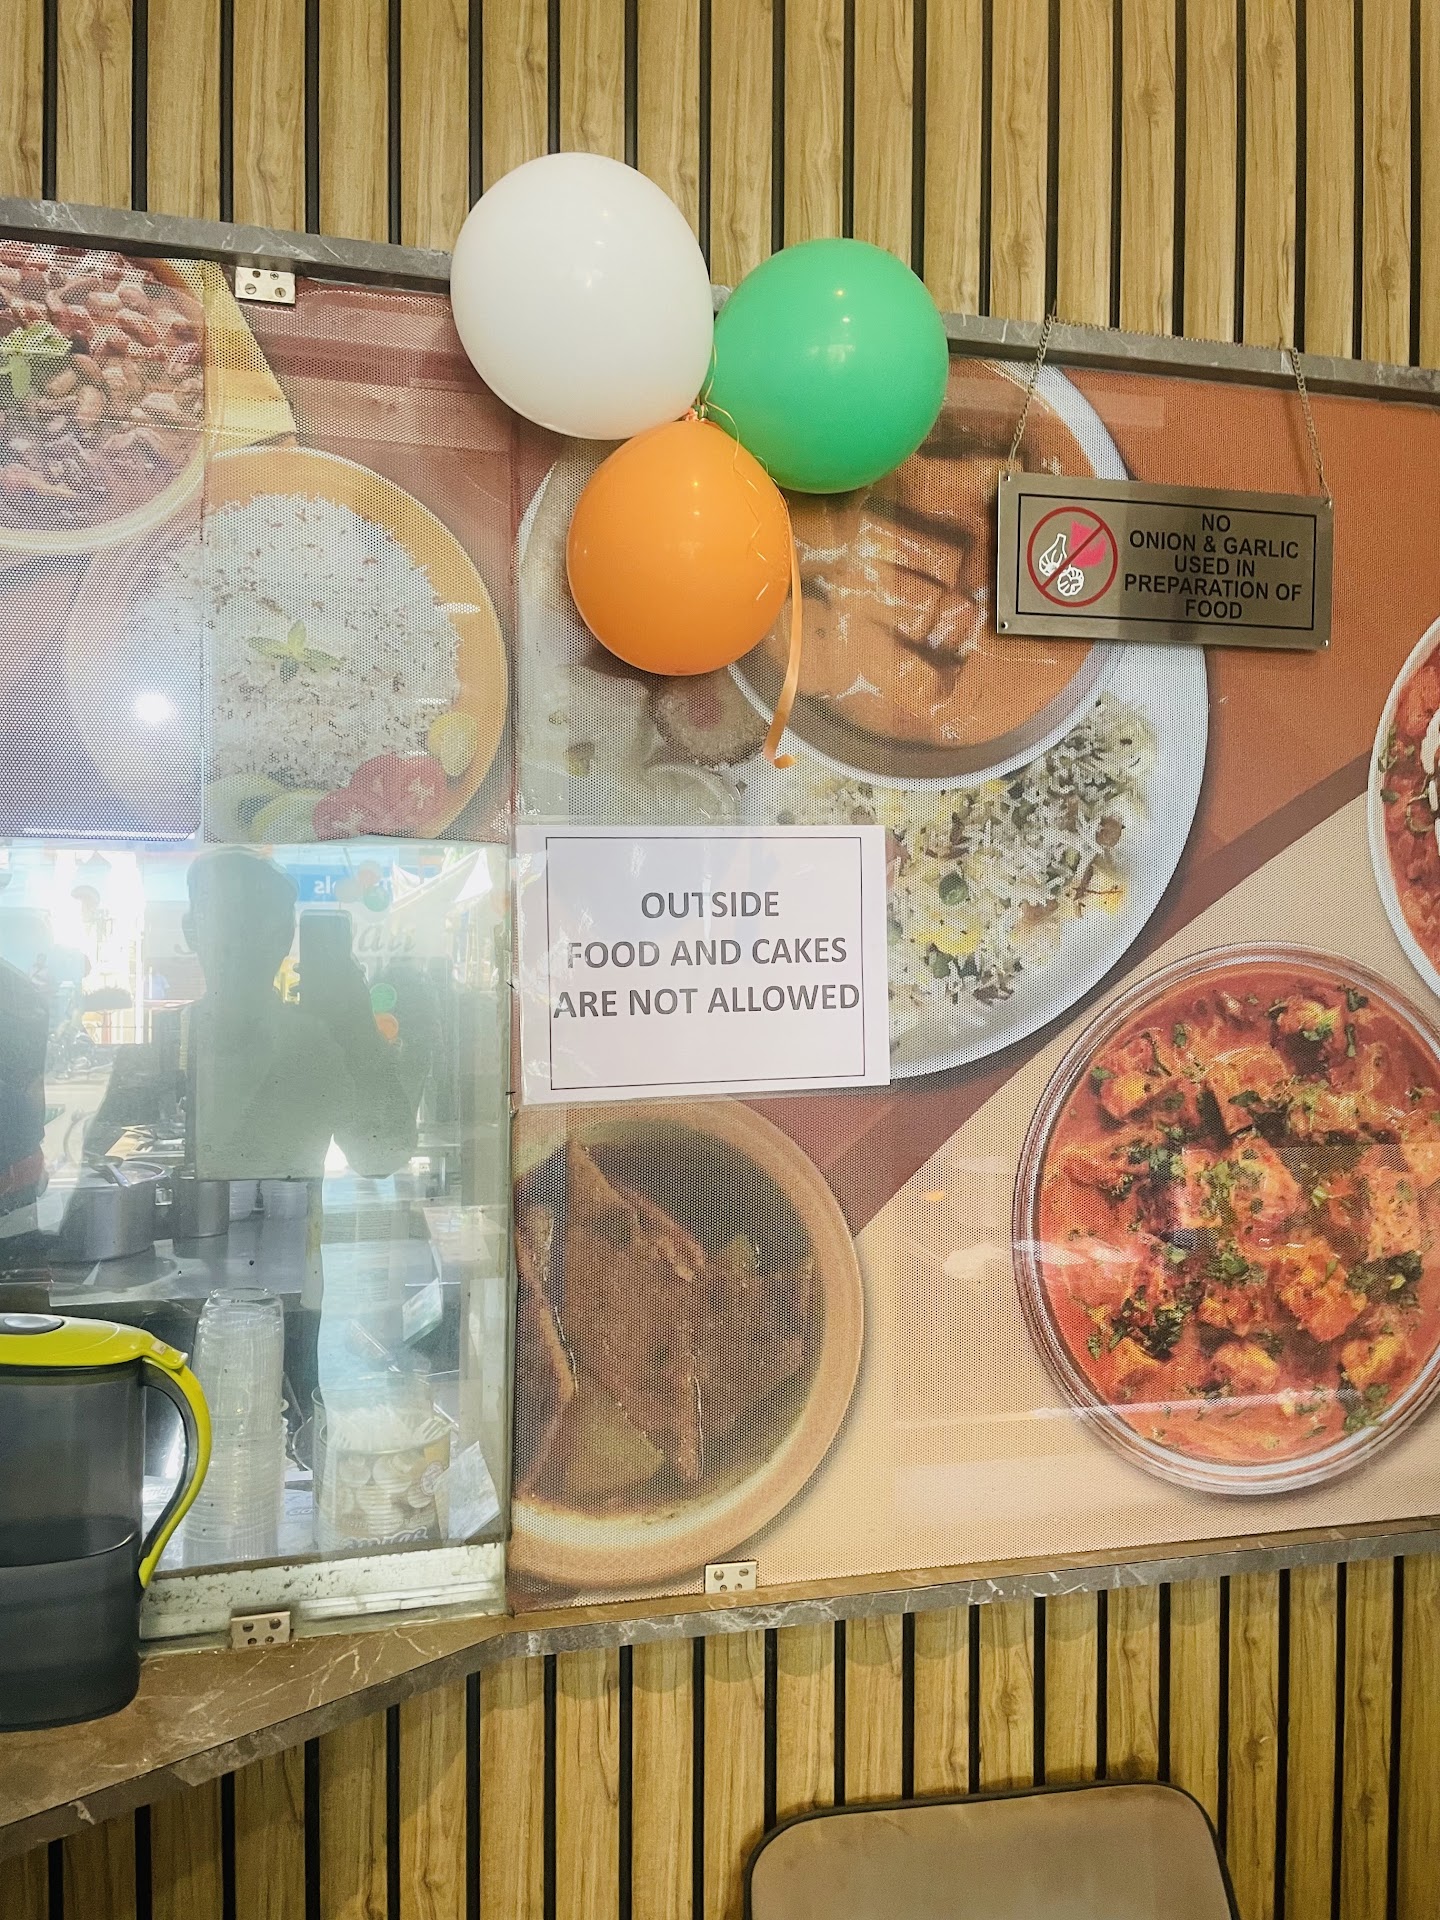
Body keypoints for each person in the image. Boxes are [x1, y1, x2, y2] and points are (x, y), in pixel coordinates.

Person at [182, 848, 418, 1180]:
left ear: (285, 937)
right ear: (191, 930)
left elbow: (381, 1156)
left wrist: (356, 1023)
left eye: (256, 924)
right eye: (227, 920)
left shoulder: (314, 1044)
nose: (239, 942)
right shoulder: (312, 1043)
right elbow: (381, 1156)